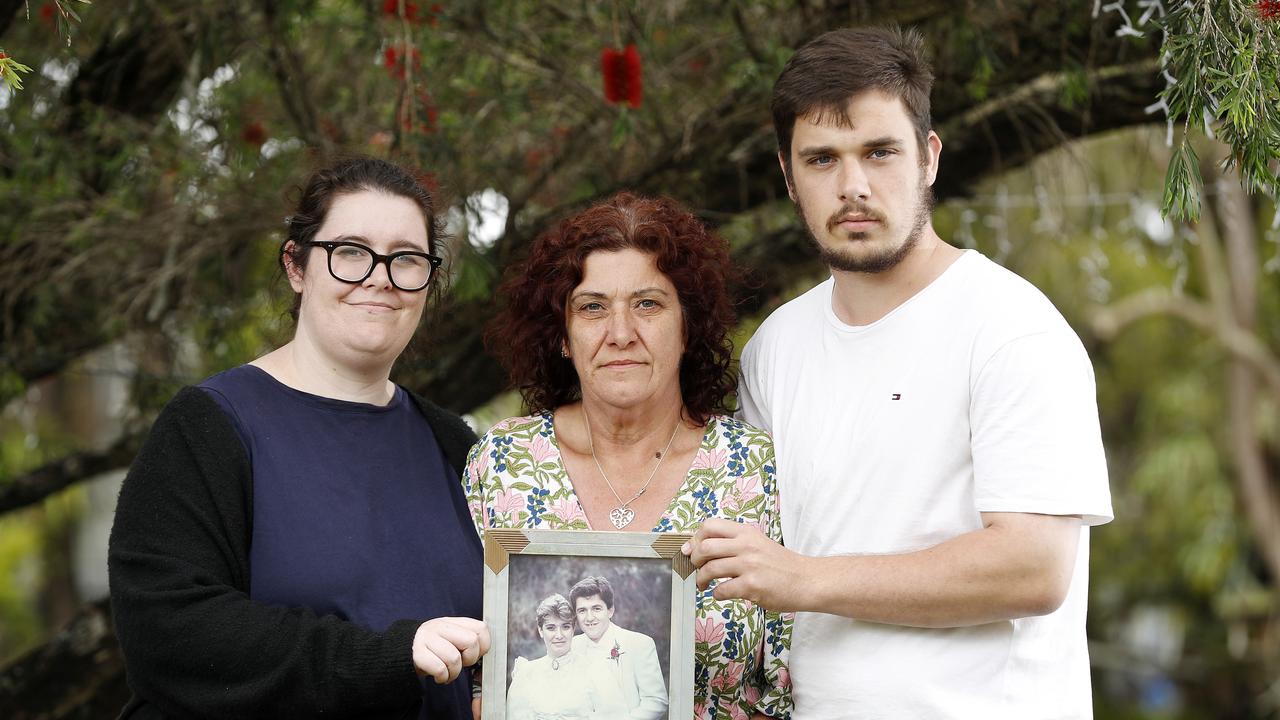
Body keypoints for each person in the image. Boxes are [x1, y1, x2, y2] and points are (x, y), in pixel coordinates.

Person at [685, 26, 1114, 719]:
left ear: (928, 159)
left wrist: (805, 580)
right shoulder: (775, 348)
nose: (852, 186)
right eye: (822, 159)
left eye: (879, 152)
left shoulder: (1011, 328)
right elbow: (760, 563)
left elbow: (1034, 568)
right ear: (789, 178)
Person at [107, 156, 490, 719]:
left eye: (406, 258)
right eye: (352, 252)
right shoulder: (211, 426)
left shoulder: (454, 445)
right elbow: (169, 630)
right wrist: (387, 655)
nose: (380, 277)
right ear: (297, 266)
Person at [464, 192, 792, 719]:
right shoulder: (502, 462)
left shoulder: (755, 467)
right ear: (564, 336)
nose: (620, 334)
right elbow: (474, 677)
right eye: (592, 307)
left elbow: (785, 682)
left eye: (648, 304)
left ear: (689, 326)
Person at [506, 593, 628, 720]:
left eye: (565, 627)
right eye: (551, 628)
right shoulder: (527, 673)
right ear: (541, 631)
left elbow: (617, 715)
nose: (559, 635)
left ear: (573, 628)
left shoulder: (595, 670)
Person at [567, 576, 665, 719]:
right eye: (582, 610)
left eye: (596, 608)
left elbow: (656, 701)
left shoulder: (639, 643)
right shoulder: (571, 646)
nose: (589, 618)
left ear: (610, 610)